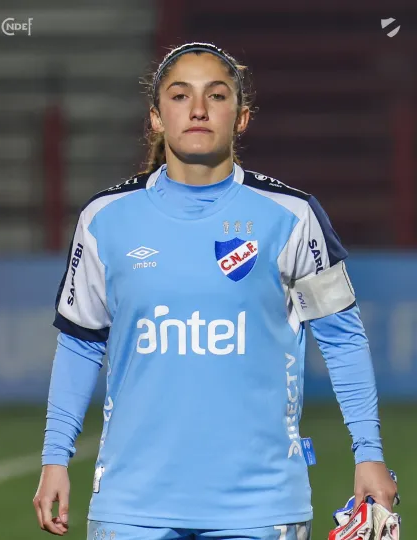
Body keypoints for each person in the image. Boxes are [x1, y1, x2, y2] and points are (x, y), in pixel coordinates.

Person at [33, 42, 397, 540]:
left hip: (261, 505)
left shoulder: (293, 216)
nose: (198, 109)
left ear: (241, 117)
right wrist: (55, 458)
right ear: (156, 117)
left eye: (217, 95)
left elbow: (342, 339)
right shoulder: (105, 219)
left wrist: (369, 453)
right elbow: (80, 344)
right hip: (131, 504)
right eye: (180, 95)